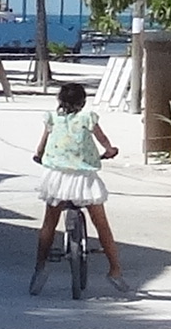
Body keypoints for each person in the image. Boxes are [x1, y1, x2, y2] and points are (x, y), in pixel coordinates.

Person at [31, 78, 123, 289]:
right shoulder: (87, 117)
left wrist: (38, 156)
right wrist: (110, 151)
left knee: (49, 223)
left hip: (56, 177)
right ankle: (115, 269)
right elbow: (103, 139)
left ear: (59, 101)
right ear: (83, 102)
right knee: (101, 224)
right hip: (84, 178)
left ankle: (40, 267)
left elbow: (42, 145)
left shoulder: (52, 118)